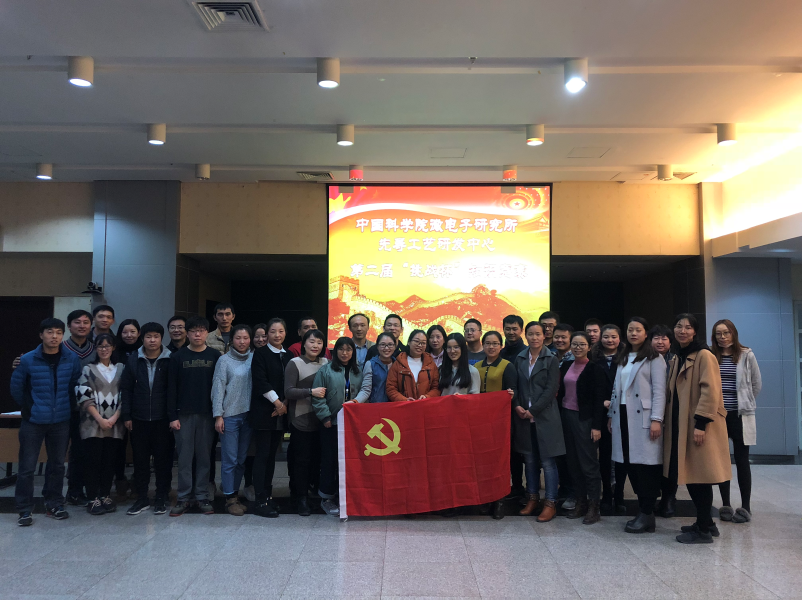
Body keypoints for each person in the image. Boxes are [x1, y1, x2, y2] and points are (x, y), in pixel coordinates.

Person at [665, 313, 732, 544]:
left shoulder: (704, 355)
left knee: (699, 478)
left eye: (688, 327)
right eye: (678, 326)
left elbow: (711, 391)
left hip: (699, 426)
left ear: (695, 332)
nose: (682, 330)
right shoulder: (679, 356)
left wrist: (701, 423)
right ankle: (707, 523)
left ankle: (703, 530)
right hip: (683, 425)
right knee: (693, 476)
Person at [11, 318, 82, 526]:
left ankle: (54, 503)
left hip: (61, 420)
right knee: (27, 467)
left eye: (58, 332)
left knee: (57, 465)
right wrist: (30, 408)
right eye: (50, 332)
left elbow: (75, 386)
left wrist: (67, 408)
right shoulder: (27, 359)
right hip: (33, 421)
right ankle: (24, 509)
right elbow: (17, 387)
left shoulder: (71, 358)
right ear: (41, 335)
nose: (54, 336)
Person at [607, 317, 666, 534]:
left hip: (644, 418)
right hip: (622, 415)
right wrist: (611, 415)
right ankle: (644, 512)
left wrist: (657, 419)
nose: (633, 333)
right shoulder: (623, 356)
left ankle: (647, 512)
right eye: (630, 330)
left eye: (638, 330)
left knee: (645, 467)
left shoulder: (654, 358)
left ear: (646, 333)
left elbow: (660, 391)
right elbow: (617, 388)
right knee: (629, 464)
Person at [311, 337, 371, 516]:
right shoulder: (326, 370)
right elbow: (318, 397)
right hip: (330, 423)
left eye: (349, 350)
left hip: (352, 426)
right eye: (341, 349)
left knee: (350, 461)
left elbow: (363, 394)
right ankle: (327, 498)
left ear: (353, 352)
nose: (345, 353)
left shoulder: (358, 371)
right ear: (335, 351)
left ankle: (347, 496)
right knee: (329, 461)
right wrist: (325, 417)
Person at [168, 316, 221, 517]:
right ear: (187, 333)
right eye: (193, 331)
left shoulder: (215, 356)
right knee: (184, 458)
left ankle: (202, 496)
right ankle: (183, 497)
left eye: (201, 330)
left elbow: (219, 387)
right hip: (183, 415)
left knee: (204, 458)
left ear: (207, 333)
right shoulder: (177, 357)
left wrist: (218, 414)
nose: (197, 334)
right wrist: (172, 416)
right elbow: (171, 388)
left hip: (207, 414)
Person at [710, 319, 761, 524]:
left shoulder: (746, 355)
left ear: (733, 333)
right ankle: (725, 504)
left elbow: (756, 384)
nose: (722, 337)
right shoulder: (711, 356)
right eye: (718, 334)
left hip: (740, 415)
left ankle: (745, 507)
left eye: (726, 333)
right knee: (722, 460)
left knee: (742, 460)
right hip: (719, 415)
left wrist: (745, 402)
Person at [121, 322, 172, 516]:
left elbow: (173, 390)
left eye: (156, 336)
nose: (152, 340)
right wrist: (127, 415)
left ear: (161, 338)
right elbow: (126, 389)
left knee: (163, 461)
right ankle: (142, 497)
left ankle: (161, 497)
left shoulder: (170, 359)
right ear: (142, 338)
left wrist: (172, 416)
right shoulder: (134, 360)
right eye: (149, 336)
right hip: (138, 418)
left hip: (162, 419)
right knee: (140, 461)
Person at [515, 321, 563, 522]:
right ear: (525, 336)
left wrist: (532, 410)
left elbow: (551, 390)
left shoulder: (551, 359)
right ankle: (532, 498)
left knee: (548, 462)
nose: (534, 337)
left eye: (538, 334)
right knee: (530, 460)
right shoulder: (520, 358)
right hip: (524, 417)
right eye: (530, 334)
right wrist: (517, 406)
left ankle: (550, 503)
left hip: (546, 417)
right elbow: (515, 386)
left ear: (544, 336)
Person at [557, 331, 606, 525]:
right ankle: (580, 502)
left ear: (589, 347)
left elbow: (599, 400)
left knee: (588, 464)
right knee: (573, 463)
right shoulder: (566, 365)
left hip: (584, 420)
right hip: (566, 417)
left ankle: (594, 506)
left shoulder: (595, 368)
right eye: (575, 344)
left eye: (582, 344)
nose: (578, 348)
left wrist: (596, 426)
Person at [75, 333, 125, 515]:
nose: (104, 349)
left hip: (115, 424)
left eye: (107, 346)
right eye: (100, 346)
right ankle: (92, 498)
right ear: (95, 348)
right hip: (92, 424)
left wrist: (114, 418)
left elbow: (126, 395)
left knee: (109, 461)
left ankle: (105, 495)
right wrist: (100, 419)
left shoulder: (121, 369)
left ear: (113, 348)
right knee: (92, 462)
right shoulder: (88, 369)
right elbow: (83, 396)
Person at [284, 329, 329, 516]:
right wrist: (311, 392)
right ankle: (300, 498)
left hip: (321, 420)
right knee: (301, 461)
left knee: (316, 461)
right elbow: (288, 391)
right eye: (311, 342)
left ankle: (312, 495)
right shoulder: (295, 363)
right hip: (300, 420)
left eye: (319, 342)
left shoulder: (326, 363)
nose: (315, 346)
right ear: (304, 343)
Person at [250, 318, 291, 518]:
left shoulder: (289, 355)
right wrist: (278, 404)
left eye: (280, 331)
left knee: (272, 456)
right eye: (273, 331)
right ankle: (260, 500)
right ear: (267, 334)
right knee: (262, 456)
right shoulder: (261, 353)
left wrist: (285, 404)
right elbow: (261, 381)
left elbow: (291, 383)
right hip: (264, 412)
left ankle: (268, 496)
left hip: (281, 413)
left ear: (285, 333)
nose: (277, 335)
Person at [475, 331, 518, 520]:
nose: (491, 347)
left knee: (499, 461)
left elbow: (513, 392)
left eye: (495, 343)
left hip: (500, 422)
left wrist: (510, 395)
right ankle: (486, 497)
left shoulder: (507, 366)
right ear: (483, 345)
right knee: (483, 461)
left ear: (501, 346)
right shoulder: (476, 367)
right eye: (488, 343)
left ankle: (500, 500)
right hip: (480, 422)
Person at [211, 324, 253, 517]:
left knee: (241, 460)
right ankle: (229, 499)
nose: (242, 342)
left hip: (249, 416)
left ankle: (234, 493)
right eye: (238, 338)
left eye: (245, 338)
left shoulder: (254, 358)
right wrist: (218, 415)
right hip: (229, 416)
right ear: (232, 340)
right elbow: (218, 389)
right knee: (230, 459)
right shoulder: (224, 361)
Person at [591, 324, 626, 514]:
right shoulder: (593, 357)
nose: (610, 340)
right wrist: (603, 402)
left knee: (621, 457)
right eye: (606, 337)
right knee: (604, 456)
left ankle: (619, 494)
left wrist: (614, 401)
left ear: (619, 339)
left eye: (613, 337)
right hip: (600, 412)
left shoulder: (627, 358)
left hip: (623, 411)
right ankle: (606, 494)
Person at [62, 309, 95, 508]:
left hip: (90, 411)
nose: (81, 325)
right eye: (77, 322)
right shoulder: (59, 348)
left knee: (83, 452)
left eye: (85, 322)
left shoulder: (96, 349)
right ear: (69, 326)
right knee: (63, 453)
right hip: (64, 409)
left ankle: (79, 490)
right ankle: (65, 492)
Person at [651, 324, 678, 518]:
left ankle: (669, 498)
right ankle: (653, 496)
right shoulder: (644, 359)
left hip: (671, 415)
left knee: (669, 459)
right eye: (656, 338)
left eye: (664, 338)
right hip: (649, 415)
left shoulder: (676, 360)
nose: (660, 342)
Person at [500, 314, 527, 498]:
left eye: (514, 329)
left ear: (521, 330)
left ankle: (523, 488)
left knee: (521, 450)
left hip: (522, 407)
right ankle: (510, 486)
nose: (511, 332)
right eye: (508, 329)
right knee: (507, 449)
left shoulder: (526, 352)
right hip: (502, 409)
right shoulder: (499, 352)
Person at [242, 322, 268, 502]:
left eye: (264, 336)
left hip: (268, 411)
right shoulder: (247, 357)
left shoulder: (275, 356)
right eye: (257, 336)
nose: (260, 339)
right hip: (248, 409)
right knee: (249, 452)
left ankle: (264, 487)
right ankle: (248, 484)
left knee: (264, 452)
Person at [386, 330, 441, 402]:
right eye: (417, 341)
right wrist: (405, 400)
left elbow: (436, 388)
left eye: (423, 343)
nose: (420, 345)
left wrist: (427, 397)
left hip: (425, 405)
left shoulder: (431, 365)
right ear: (409, 342)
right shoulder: (398, 364)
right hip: (404, 406)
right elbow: (391, 388)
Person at [364, 332, 396, 403]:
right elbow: (366, 390)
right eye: (383, 345)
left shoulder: (398, 364)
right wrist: (355, 401)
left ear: (395, 346)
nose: (386, 348)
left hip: (395, 405)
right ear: (377, 346)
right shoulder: (370, 364)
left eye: (390, 345)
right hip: (376, 406)